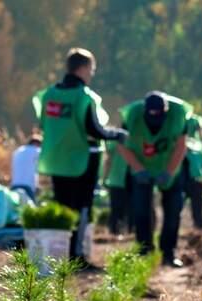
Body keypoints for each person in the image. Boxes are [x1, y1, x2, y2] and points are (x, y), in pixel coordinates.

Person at [32, 47, 128, 264]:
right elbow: (94, 130)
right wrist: (117, 134)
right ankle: (76, 257)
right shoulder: (83, 96)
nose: (92, 73)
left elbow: (42, 124)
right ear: (83, 68)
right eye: (91, 68)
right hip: (81, 162)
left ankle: (58, 255)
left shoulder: (48, 95)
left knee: (62, 207)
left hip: (56, 160)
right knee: (82, 207)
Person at [117, 91, 192, 268]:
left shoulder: (178, 114)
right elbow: (121, 145)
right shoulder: (132, 116)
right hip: (141, 166)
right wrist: (139, 169)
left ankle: (169, 252)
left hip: (170, 166)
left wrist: (169, 171)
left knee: (173, 211)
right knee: (141, 211)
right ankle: (144, 251)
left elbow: (181, 145)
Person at [181, 113, 202, 230]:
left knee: (180, 205)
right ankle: (199, 226)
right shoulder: (199, 147)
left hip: (187, 181)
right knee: (197, 205)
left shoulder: (182, 147)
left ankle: (197, 227)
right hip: (197, 180)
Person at [103, 140, 134, 235]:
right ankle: (127, 230)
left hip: (117, 178)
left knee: (116, 208)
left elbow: (107, 160)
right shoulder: (134, 139)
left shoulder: (112, 142)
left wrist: (104, 177)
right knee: (128, 207)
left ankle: (116, 231)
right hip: (126, 178)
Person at [10, 133, 42, 201]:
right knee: (31, 210)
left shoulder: (18, 151)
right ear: (36, 144)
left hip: (14, 185)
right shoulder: (37, 151)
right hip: (28, 186)